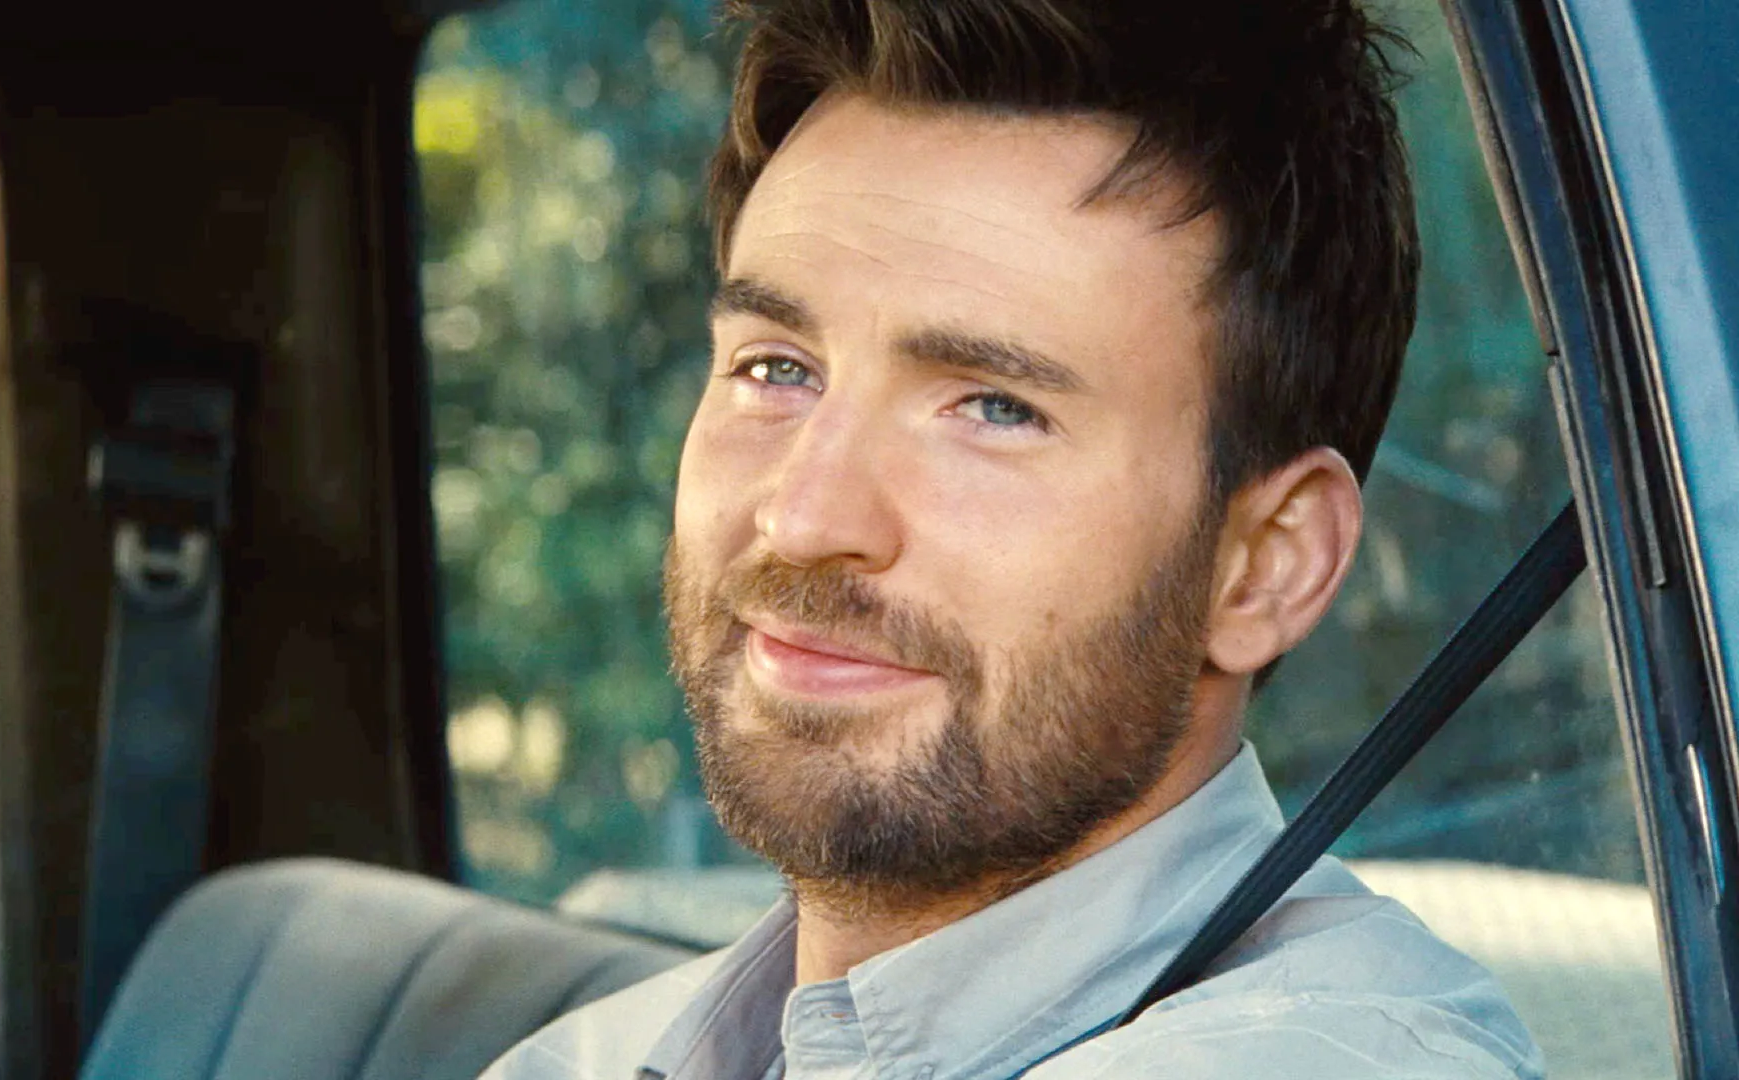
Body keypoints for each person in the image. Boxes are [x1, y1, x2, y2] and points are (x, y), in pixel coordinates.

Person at [486, 0, 1541, 1076]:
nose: (803, 521)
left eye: (995, 409)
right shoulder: (584, 1058)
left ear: (1266, 564)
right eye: (776, 369)